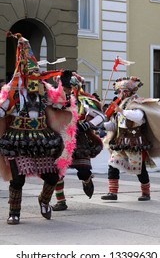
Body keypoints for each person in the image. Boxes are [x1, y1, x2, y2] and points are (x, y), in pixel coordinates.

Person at [0, 32, 77, 224]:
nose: (35, 81)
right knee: (18, 180)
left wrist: (64, 88)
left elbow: (60, 104)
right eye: (31, 77)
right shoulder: (13, 92)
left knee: (52, 176)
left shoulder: (45, 92)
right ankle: (14, 212)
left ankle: (44, 200)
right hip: (18, 139)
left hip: (42, 139)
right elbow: (2, 110)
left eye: (37, 77)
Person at [101, 76, 160, 201]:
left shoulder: (137, 103)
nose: (120, 94)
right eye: (119, 91)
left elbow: (138, 117)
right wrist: (102, 124)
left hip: (135, 142)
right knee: (113, 165)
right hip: (121, 141)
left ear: (129, 91)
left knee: (139, 169)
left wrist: (121, 111)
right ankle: (112, 193)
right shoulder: (121, 105)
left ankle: (146, 193)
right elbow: (117, 124)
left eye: (122, 91)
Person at [52, 72, 105, 211]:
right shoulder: (55, 100)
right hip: (60, 139)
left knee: (83, 171)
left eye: (69, 88)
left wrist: (87, 125)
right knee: (57, 171)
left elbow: (100, 117)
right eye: (64, 87)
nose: (67, 90)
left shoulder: (84, 101)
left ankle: (87, 179)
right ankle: (61, 201)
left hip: (79, 139)